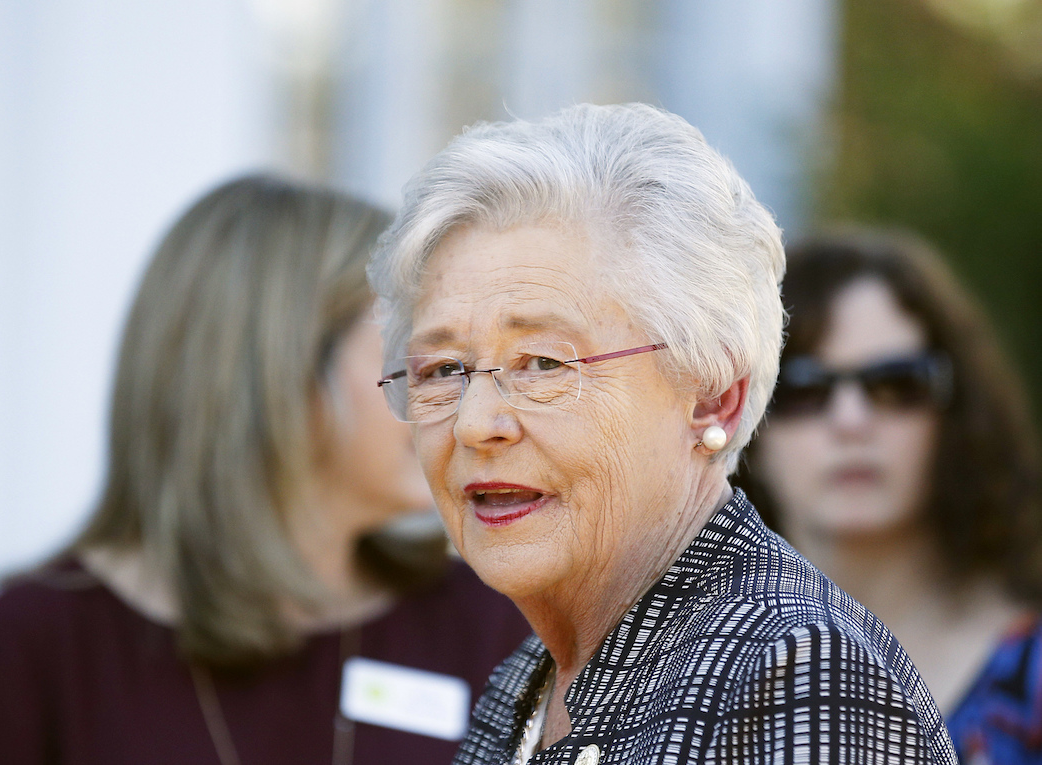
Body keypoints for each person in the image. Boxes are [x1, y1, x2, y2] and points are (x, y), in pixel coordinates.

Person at [366, 103, 958, 765]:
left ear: (711, 398)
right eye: (443, 369)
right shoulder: (520, 685)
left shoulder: (797, 673)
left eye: (543, 363)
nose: (475, 423)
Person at [0, 175, 530, 765]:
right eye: (425, 364)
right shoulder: (27, 651)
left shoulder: (495, 626)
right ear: (277, 378)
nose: (467, 409)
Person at [734, 227, 1042, 765]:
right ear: (744, 418)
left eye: (897, 384)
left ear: (958, 413)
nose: (851, 421)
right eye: (803, 388)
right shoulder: (668, 672)